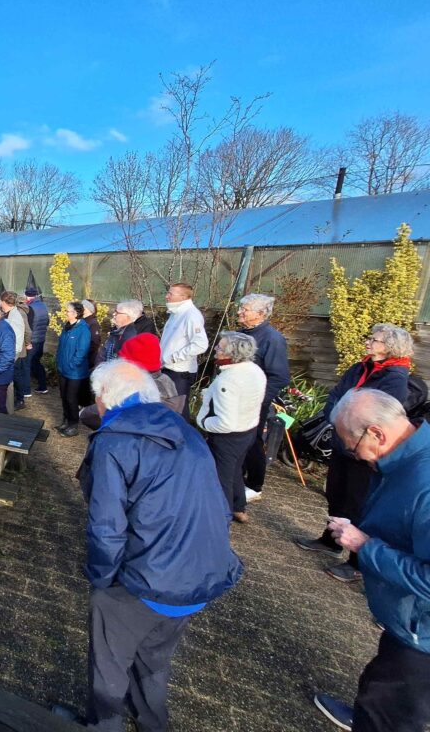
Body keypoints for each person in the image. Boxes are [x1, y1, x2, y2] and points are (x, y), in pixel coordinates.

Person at [76, 359, 243, 732]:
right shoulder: (185, 430)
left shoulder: (114, 441)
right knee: (154, 660)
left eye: (96, 397)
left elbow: (106, 527)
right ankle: (151, 723)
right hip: (200, 576)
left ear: (106, 397)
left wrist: (102, 580)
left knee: (110, 662)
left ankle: (103, 725)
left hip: (149, 578)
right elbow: (219, 505)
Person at [313, 388, 430, 732]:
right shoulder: (408, 455)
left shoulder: (424, 482)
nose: (356, 457)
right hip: (409, 624)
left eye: (353, 448)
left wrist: (365, 546)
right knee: (380, 685)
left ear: (376, 433)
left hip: (421, 636)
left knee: (388, 711)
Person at [295, 324, 413, 582]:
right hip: (343, 441)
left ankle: (358, 561)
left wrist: (348, 420)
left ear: (391, 347)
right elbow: (337, 395)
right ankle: (331, 540)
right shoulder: (360, 367)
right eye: (369, 337)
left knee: (359, 504)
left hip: (364, 450)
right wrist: (337, 417)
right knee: (336, 493)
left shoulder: (395, 378)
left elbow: (378, 415)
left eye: (375, 340)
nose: (368, 342)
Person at [196, 332, 266, 523]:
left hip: (227, 437)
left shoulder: (228, 380)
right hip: (248, 430)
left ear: (232, 353)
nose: (216, 349)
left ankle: (221, 520)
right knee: (235, 471)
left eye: (220, 347)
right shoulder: (255, 370)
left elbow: (225, 422)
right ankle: (238, 507)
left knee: (222, 478)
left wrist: (203, 422)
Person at [237, 293, 290, 504]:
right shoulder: (241, 333)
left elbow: (280, 376)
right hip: (235, 397)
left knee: (252, 440)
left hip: (254, 401)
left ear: (260, 314)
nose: (239, 312)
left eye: (245, 310)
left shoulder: (272, 339)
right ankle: (235, 478)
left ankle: (254, 485)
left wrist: (259, 399)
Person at [159, 282, 208, 422]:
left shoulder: (191, 315)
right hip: (167, 368)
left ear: (183, 297)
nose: (167, 296)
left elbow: (200, 344)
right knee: (168, 408)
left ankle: (183, 433)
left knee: (178, 410)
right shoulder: (175, 313)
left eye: (170, 293)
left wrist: (173, 357)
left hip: (180, 372)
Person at [55, 302, 91, 437]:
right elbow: (61, 347)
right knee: (64, 397)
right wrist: (59, 362)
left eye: (68, 311)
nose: (65, 313)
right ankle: (66, 420)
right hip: (63, 369)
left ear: (76, 313)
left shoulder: (83, 329)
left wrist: (72, 364)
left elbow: (82, 351)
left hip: (75, 372)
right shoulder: (67, 327)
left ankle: (73, 425)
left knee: (71, 398)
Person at [1, 292, 32, 410]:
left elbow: (27, 331)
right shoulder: (9, 312)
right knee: (14, 374)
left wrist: (27, 343)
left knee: (17, 374)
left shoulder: (19, 313)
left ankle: (20, 399)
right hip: (14, 347)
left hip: (18, 348)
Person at [77, 299, 102, 408]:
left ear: (88, 309)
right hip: (81, 359)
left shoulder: (92, 323)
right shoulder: (82, 321)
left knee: (84, 385)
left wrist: (82, 355)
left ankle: (84, 406)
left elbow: (94, 343)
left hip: (86, 360)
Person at [26, 287, 50, 394]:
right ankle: (43, 385)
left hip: (33, 340)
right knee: (36, 362)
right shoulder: (43, 305)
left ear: (27, 296)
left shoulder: (30, 308)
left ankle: (26, 389)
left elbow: (29, 326)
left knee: (27, 364)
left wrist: (27, 342)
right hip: (41, 339)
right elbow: (47, 322)